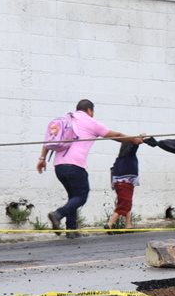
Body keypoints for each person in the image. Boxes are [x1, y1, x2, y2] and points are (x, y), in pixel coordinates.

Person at [36, 99, 142, 237]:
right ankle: (58, 214)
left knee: (73, 197)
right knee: (81, 196)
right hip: (75, 166)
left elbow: (48, 140)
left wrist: (42, 159)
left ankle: (71, 231)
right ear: (90, 110)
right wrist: (133, 139)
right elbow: (116, 135)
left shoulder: (66, 120)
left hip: (59, 167)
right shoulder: (90, 122)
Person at [106, 139, 141, 230]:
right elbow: (134, 147)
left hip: (121, 184)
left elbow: (112, 171)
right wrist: (139, 140)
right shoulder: (130, 155)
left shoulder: (119, 159)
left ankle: (128, 225)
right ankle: (110, 223)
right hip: (125, 184)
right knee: (124, 204)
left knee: (127, 202)